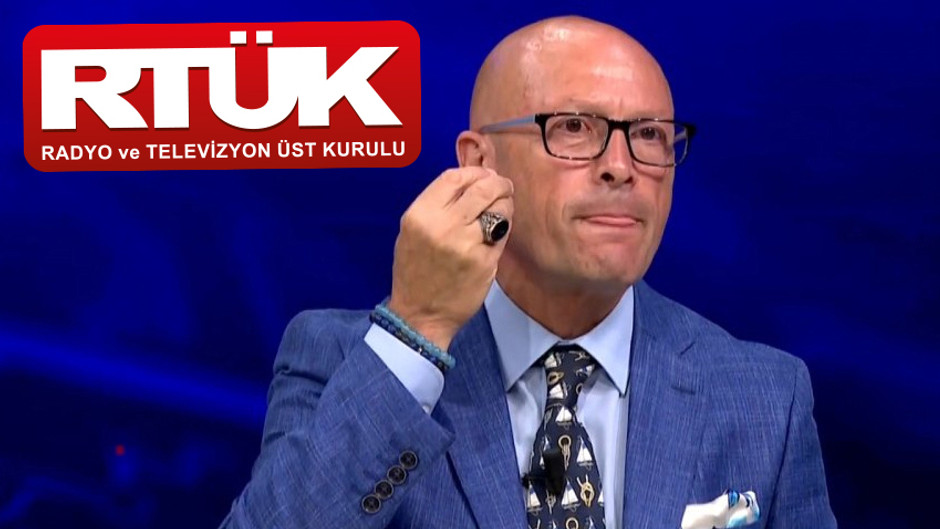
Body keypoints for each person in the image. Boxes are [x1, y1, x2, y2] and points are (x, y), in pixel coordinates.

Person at [220, 15, 836, 529]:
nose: (621, 166)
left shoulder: (764, 396)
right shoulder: (339, 358)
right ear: (479, 163)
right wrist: (420, 330)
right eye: (575, 127)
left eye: (649, 135)